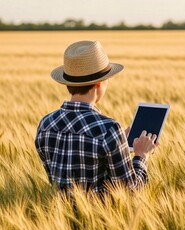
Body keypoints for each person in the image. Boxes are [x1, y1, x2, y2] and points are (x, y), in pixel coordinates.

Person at [35, 40, 158, 193]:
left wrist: (119, 146)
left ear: (68, 83)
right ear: (100, 83)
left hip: (57, 215)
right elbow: (130, 191)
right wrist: (141, 155)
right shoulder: (109, 129)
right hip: (102, 217)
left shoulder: (45, 124)